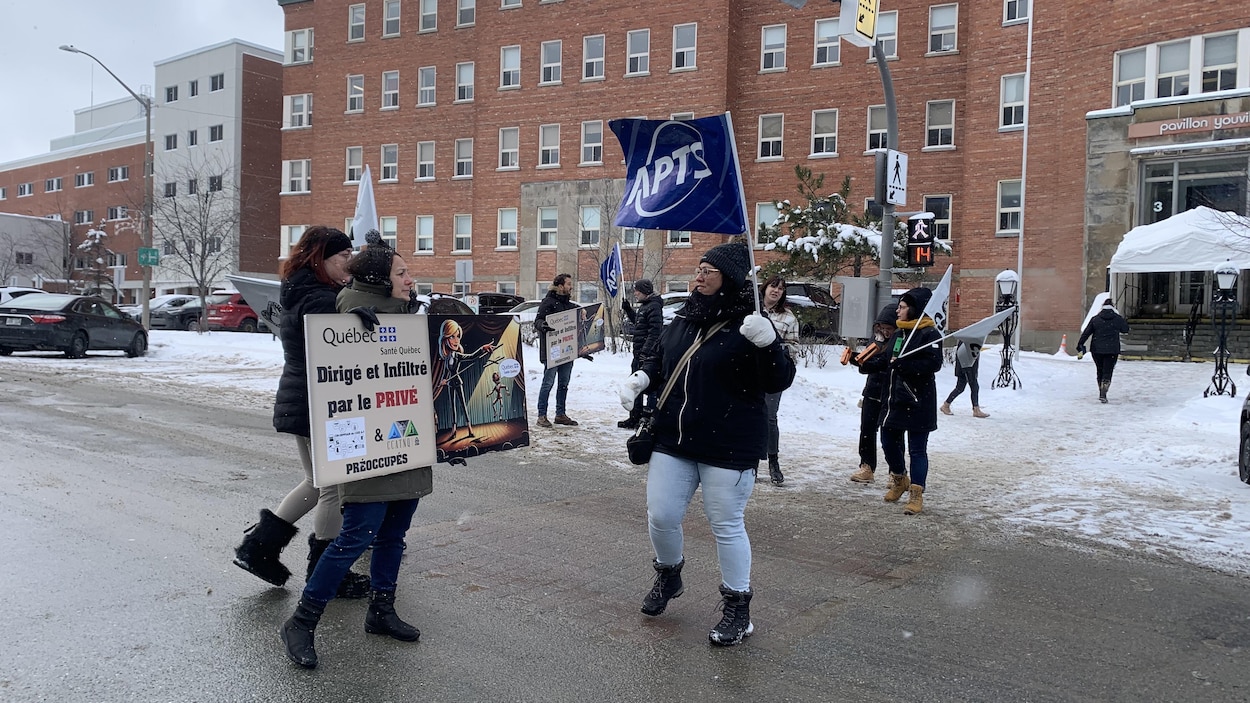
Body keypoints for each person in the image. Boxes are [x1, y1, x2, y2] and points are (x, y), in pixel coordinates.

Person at [619, 242, 795, 646]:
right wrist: (641, 378)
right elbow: (657, 356)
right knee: (661, 515)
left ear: (729, 278)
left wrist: (769, 345)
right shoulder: (684, 317)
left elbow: (778, 380)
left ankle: (738, 608)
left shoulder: (751, 322)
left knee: (726, 525)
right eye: (698, 269)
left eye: (708, 271)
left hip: (730, 445)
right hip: (674, 439)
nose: (698, 276)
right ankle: (670, 574)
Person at [281, 238, 432, 669]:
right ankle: (302, 622)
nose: (410, 279)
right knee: (356, 536)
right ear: (378, 281)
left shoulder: (406, 317)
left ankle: (381, 610)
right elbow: (327, 359)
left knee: (394, 535)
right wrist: (349, 326)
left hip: (407, 442)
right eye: (402, 274)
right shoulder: (344, 314)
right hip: (369, 447)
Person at [232, 226, 371, 599]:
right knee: (333, 486)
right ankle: (327, 572)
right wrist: (359, 302)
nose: (350, 264)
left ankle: (258, 549)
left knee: (317, 482)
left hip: (310, 401)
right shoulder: (315, 296)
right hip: (316, 403)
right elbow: (330, 314)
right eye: (344, 257)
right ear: (320, 258)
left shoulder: (305, 289)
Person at [873, 288, 943, 516]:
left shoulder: (929, 334)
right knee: (888, 442)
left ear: (913, 308)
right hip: (894, 401)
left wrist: (905, 365)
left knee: (917, 450)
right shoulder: (899, 333)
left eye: (902, 307)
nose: (898, 310)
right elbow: (886, 361)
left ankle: (916, 493)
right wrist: (862, 363)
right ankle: (900, 478)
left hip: (918, 402)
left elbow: (933, 364)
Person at [848, 304, 898, 483]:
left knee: (892, 435)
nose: (884, 331)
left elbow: (887, 363)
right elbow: (869, 365)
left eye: (889, 328)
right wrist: (857, 360)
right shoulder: (875, 340)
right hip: (872, 391)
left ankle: (896, 472)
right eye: (881, 327)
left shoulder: (900, 341)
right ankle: (867, 466)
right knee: (867, 430)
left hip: (892, 393)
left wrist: (874, 364)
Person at [759, 275, 799, 485]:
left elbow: (794, 347)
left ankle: (773, 461)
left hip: (773, 373)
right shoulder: (753, 311)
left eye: (781, 289)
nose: (776, 291)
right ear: (765, 288)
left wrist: (777, 348)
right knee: (748, 415)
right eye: (773, 286)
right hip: (748, 372)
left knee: (769, 417)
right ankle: (751, 462)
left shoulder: (788, 318)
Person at [534, 273, 580, 428]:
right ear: (560, 286)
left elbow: (578, 313)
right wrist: (543, 326)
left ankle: (560, 414)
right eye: (568, 284)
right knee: (548, 383)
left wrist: (583, 311)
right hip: (551, 351)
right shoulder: (548, 302)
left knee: (564, 383)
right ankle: (542, 415)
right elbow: (538, 321)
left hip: (567, 351)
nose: (570, 286)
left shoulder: (568, 304)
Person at [618, 279, 663, 429]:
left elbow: (654, 332)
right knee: (634, 386)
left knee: (648, 387)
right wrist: (629, 310)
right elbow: (639, 323)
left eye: (637, 290)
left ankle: (649, 417)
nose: (635, 293)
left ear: (644, 291)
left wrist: (646, 352)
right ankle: (634, 417)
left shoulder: (654, 307)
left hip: (646, 355)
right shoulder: (645, 306)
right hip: (638, 354)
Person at [1077, 298, 1130, 403]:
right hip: (1112, 350)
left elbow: (1086, 333)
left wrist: (1080, 344)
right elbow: (1125, 329)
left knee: (1099, 370)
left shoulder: (1095, 319)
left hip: (1097, 349)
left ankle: (1101, 390)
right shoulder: (1117, 319)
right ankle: (1104, 390)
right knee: (1108, 371)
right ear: (1113, 307)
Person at [941, 341, 990, 418]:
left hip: (966, 366)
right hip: (967, 367)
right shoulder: (967, 337)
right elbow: (964, 353)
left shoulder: (969, 337)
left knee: (960, 388)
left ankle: (946, 405)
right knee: (974, 387)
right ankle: (976, 409)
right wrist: (966, 368)